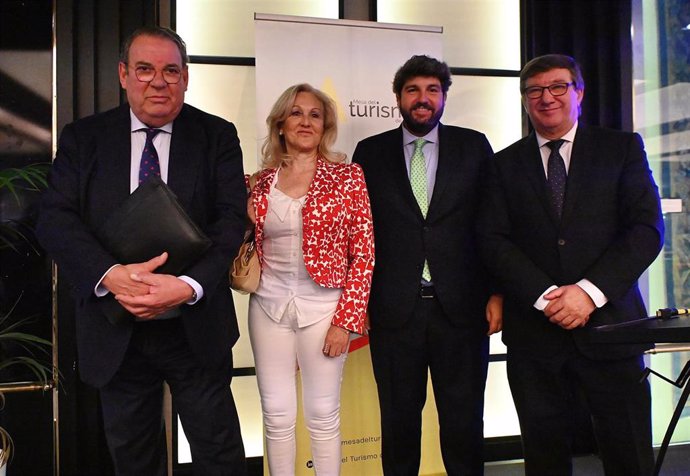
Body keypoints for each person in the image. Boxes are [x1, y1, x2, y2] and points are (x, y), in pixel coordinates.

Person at [35, 26, 247, 475]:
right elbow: (54, 218)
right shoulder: (83, 138)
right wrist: (110, 275)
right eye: (145, 69)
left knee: (220, 456)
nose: (159, 81)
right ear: (123, 74)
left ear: (186, 78)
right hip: (115, 326)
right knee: (134, 460)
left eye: (171, 70)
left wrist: (186, 287)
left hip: (195, 327)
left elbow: (231, 221)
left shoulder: (217, 136)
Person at [477, 54, 663, 475]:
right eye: (535, 90)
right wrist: (546, 298)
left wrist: (588, 293)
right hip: (535, 337)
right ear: (525, 100)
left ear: (578, 92)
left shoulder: (621, 149)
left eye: (558, 86)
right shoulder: (503, 164)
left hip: (611, 328)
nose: (547, 97)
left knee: (628, 452)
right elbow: (493, 240)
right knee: (543, 458)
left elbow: (646, 230)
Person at [352, 55, 502, 476]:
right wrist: (358, 299)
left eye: (432, 90)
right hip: (395, 309)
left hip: (463, 309)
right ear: (398, 97)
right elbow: (360, 233)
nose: (423, 99)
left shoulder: (474, 146)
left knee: (464, 422)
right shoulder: (370, 152)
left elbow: (491, 226)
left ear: (444, 97)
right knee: (398, 424)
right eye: (413, 90)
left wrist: (496, 292)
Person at [247, 83, 374, 475]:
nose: (305, 121)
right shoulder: (258, 182)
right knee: (276, 414)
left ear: (325, 127)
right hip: (267, 307)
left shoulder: (348, 177)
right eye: (297, 113)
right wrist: (244, 217)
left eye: (315, 115)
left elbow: (364, 253)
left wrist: (346, 322)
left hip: (325, 309)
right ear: (281, 124)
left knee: (322, 414)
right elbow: (240, 246)